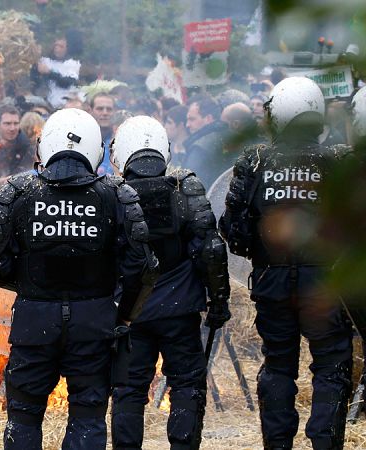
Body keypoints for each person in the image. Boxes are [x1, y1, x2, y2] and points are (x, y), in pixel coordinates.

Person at [0, 108, 158, 450]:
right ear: (96, 149)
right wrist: (123, 317)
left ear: (45, 146)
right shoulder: (116, 194)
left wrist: (30, 282)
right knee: (87, 417)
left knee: (24, 416)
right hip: (94, 323)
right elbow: (141, 269)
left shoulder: (18, 191)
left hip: (34, 322)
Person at [220, 77, 353, 450]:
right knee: (331, 366)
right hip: (325, 283)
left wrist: (258, 255)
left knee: (278, 366)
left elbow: (234, 229)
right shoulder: (338, 160)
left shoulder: (255, 161)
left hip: (271, 281)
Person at [108, 116, 231, 450]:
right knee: (187, 386)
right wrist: (219, 302)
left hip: (131, 311)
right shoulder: (184, 188)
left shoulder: (114, 194)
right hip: (180, 310)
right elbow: (211, 248)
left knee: (128, 390)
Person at [183, 97, 231, 185]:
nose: (187, 125)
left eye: (192, 119)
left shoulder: (199, 148)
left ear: (208, 118)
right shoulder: (232, 137)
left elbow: (189, 185)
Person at [0, 104, 34, 179]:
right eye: (7, 124)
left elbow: (27, 175)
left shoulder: (25, 147)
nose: (12, 128)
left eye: (16, 123)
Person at [33, 36, 80, 109]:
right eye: (56, 46)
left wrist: (49, 72)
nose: (57, 49)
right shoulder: (45, 61)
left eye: (61, 46)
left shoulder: (73, 64)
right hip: (48, 105)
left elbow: (67, 83)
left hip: (65, 105)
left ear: (67, 49)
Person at [89, 93, 116, 176]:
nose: (105, 113)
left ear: (114, 111)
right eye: (100, 109)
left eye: (109, 109)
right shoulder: (82, 139)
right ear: (90, 110)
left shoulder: (121, 140)